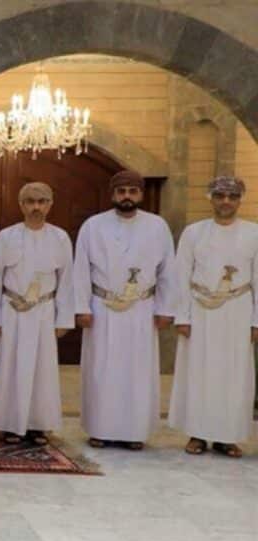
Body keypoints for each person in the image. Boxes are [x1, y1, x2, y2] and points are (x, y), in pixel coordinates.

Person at [74, 170, 176, 450]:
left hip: (141, 309)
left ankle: (135, 432)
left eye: (132, 191)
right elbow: (81, 269)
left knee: (137, 370)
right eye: (122, 191)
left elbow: (168, 270)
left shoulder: (157, 226)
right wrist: (81, 307)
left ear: (141, 194)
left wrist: (166, 308)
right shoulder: (93, 226)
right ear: (113, 194)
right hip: (102, 308)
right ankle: (99, 428)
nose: (127, 196)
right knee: (101, 369)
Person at [170, 176, 258, 458]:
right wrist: (181, 316)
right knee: (199, 372)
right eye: (220, 196)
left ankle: (227, 436)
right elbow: (180, 275)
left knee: (233, 374)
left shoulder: (253, 233)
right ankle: (197, 433)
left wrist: (256, 322)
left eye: (232, 196)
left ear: (239, 199)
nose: (226, 202)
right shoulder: (194, 233)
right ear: (211, 198)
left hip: (238, 311)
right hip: (200, 311)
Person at [0, 182, 74, 446]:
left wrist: (63, 319)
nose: (36, 206)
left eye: (42, 201)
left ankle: (38, 425)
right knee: (11, 367)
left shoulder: (60, 238)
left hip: (45, 312)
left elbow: (67, 280)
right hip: (13, 311)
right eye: (30, 201)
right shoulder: (6, 237)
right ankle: (10, 424)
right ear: (21, 204)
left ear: (50, 204)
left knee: (42, 370)